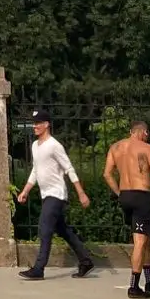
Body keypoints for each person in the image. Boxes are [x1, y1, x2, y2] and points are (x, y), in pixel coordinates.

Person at [16, 109, 96, 279]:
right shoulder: (35, 146)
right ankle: (85, 260)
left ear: (47, 124)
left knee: (44, 228)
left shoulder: (54, 145)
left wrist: (81, 193)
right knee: (63, 230)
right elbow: (36, 171)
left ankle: (39, 269)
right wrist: (25, 191)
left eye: (38, 123)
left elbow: (69, 168)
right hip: (47, 194)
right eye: (34, 123)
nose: (35, 126)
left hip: (57, 194)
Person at [103, 118, 150, 299]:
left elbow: (107, 174)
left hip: (126, 196)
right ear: (142, 132)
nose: (147, 136)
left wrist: (119, 192)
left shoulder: (115, 147)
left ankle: (149, 281)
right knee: (140, 242)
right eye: (147, 133)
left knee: (145, 239)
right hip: (141, 195)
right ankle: (134, 286)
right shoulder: (146, 148)